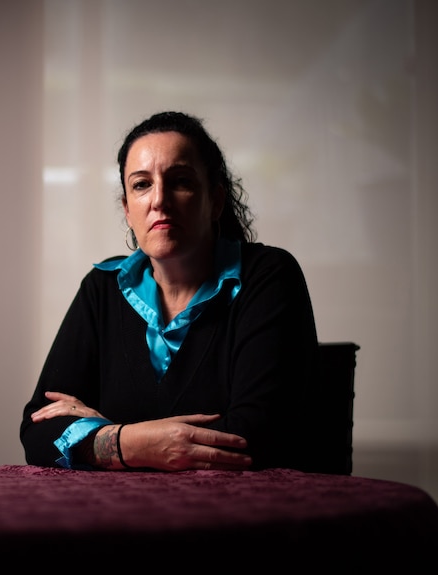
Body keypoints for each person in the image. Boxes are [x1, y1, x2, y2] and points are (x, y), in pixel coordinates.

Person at [20, 111, 320, 472]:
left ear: (216, 201)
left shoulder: (268, 276)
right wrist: (131, 443)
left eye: (180, 181)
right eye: (141, 185)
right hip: (116, 517)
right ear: (128, 210)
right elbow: (38, 430)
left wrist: (100, 438)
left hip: (241, 518)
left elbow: (255, 437)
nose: (159, 200)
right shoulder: (101, 288)